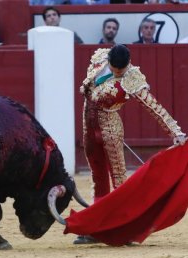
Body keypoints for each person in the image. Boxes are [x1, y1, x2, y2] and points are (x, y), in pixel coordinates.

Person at [75, 44, 186, 244]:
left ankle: (122, 226)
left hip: (110, 128)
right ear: (109, 60)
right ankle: (96, 225)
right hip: (89, 126)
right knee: (97, 175)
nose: (119, 73)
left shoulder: (132, 78)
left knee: (118, 177)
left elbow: (153, 107)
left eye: (122, 71)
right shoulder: (99, 58)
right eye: (116, 70)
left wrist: (175, 132)